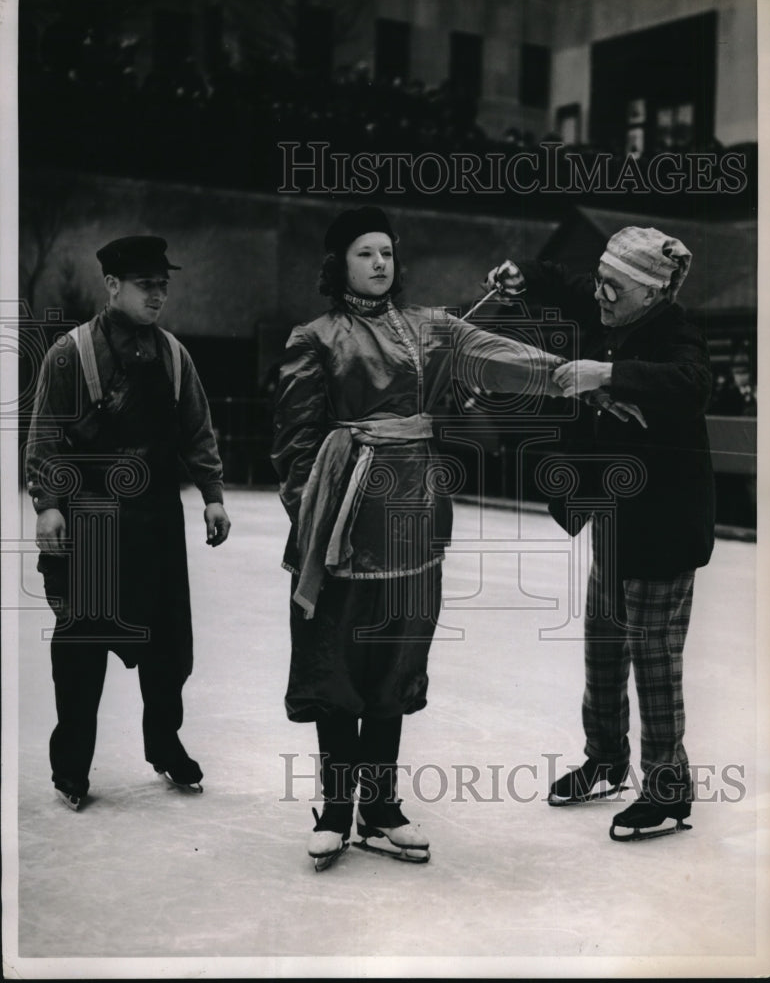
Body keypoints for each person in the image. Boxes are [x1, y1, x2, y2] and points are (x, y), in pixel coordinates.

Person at [271, 206, 570, 869]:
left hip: (413, 522)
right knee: (337, 664)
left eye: (386, 251)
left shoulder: (432, 328)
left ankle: (379, 811)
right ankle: (335, 811)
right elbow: (294, 445)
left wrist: (568, 374)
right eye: (365, 252)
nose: (380, 262)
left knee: (394, 663)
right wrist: (313, 516)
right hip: (340, 525)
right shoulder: (315, 337)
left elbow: (499, 357)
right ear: (339, 264)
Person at [485, 226, 715, 841]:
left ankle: (667, 790)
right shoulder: (608, 304)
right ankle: (607, 759)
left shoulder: (677, 332)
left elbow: (692, 383)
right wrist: (525, 273)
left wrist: (606, 373)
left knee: (653, 658)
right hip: (614, 518)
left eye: (615, 288)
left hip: (663, 526)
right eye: (601, 283)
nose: (600, 296)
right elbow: (566, 283)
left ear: (651, 293)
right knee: (604, 648)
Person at [26, 235, 231, 811]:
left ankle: (164, 745)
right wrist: (48, 503)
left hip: (158, 518)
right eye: (147, 285)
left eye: (163, 285)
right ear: (112, 285)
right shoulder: (70, 353)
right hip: (92, 517)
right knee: (81, 651)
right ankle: (72, 767)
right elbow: (46, 433)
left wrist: (212, 495)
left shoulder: (174, 355)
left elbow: (197, 430)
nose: (158, 295)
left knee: (169, 648)